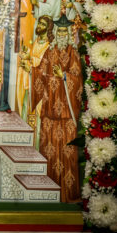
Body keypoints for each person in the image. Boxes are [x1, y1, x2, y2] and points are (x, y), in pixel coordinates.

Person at [35, 15, 82, 203]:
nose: (62, 34)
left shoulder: (73, 53)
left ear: (68, 33)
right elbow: (40, 74)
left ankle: (68, 194)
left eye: (64, 31)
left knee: (68, 152)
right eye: (59, 31)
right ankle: (48, 196)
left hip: (67, 113)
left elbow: (77, 80)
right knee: (50, 151)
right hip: (50, 112)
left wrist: (64, 76)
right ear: (55, 32)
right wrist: (30, 69)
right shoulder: (49, 52)